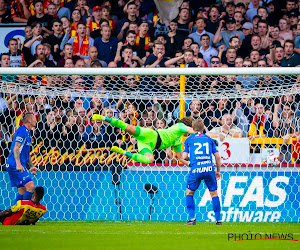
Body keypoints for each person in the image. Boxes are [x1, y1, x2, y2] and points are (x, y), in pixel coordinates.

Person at [92, 114, 194, 164]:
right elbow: (190, 129)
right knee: (128, 128)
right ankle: (104, 118)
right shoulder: (179, 126)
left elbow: (181, 158)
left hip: (148, 145)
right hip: (150, 135)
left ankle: (123, 153)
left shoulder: (177, 140)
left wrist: (188, 164)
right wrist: (202, 134)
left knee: (150, 159)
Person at [181, 119, 222, 225]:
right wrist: (218, 171)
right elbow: (217, 156)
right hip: (209, 169)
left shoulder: (189, 139)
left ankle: (192, 219)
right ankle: (218, 221)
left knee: (189, 193)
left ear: (192, 129)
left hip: (196, 170)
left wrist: (181, 156)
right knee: (214, 194)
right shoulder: (209, 139)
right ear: (203, 128)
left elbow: (184, 156)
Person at [5, 112, 39, 204]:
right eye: (34, 119)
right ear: (29, 120)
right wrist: (18, 164)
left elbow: (26, 152)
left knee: (22, 191)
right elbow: (16, 147)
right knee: (31, 186)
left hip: (16, 165)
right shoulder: (22, 131)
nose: (36, 120)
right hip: (14, 165)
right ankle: (23, 212)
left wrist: (31, 166)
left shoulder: (28, 133)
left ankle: (16, 214)